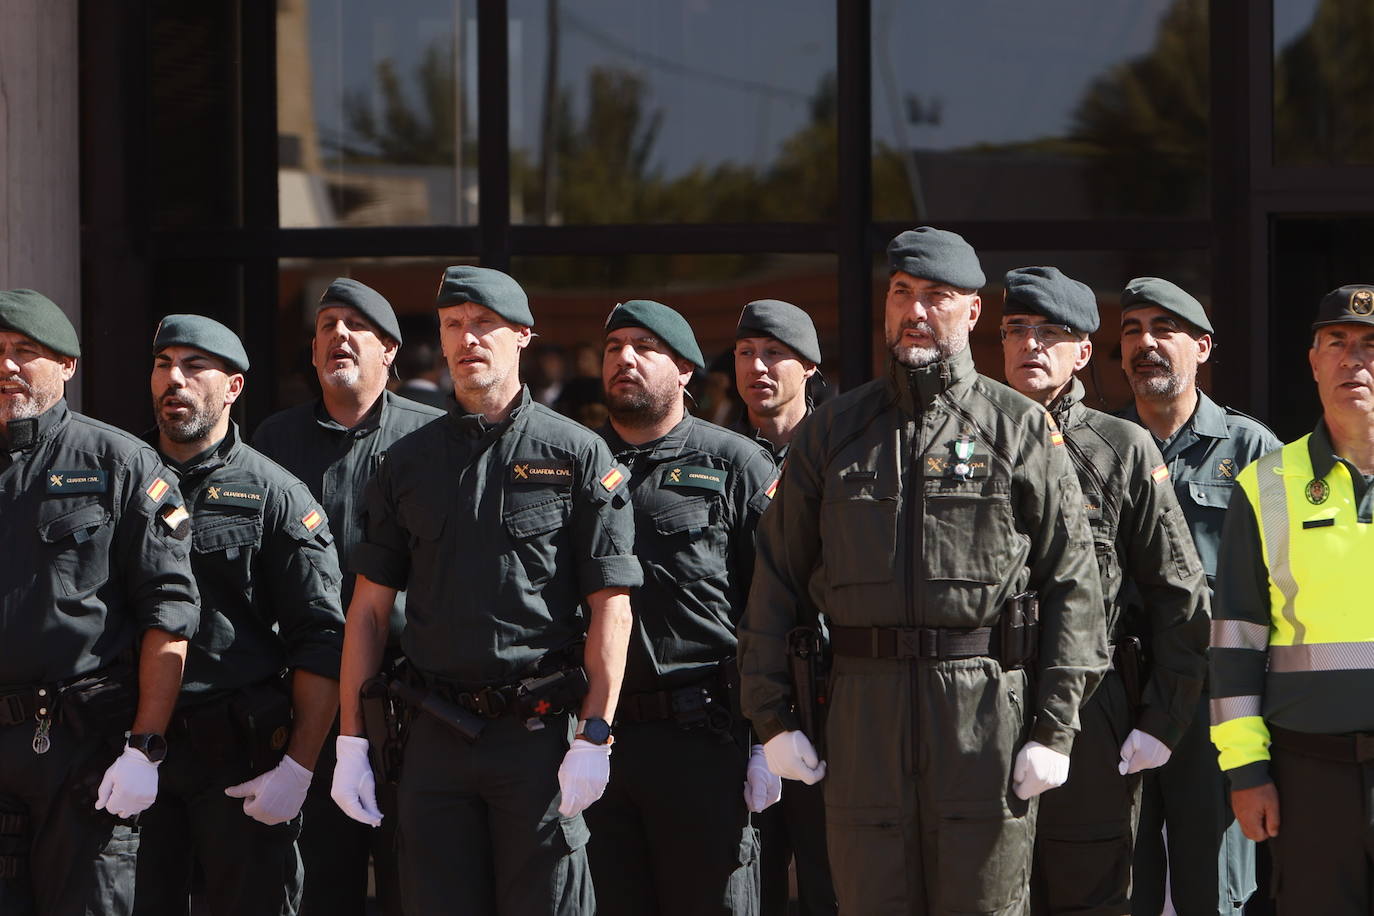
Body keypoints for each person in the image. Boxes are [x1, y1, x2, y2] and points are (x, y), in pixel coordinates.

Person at [739, 228, 1107, 914]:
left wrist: (1054, 728)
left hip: (983, 721)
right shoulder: (834, 431)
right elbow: (776, 578)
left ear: (972, 313)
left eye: (936, 296)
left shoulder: (1019, 427)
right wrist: (772, 717)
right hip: (861, 719)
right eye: (902, 292)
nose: (914, 311)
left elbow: (1073, 584)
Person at [330, 266, 640, 915]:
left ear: (522, 335)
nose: (468, 338)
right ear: (440, 343)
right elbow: (367, 611)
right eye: (453, 325)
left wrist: (595, 733)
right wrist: (352, 742)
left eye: (484, 324)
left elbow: (612, 607)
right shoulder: (405, 463)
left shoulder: (577, 455)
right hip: (434, 740)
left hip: (537, 741)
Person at [996, 267, 1210, 914]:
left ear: (1084, 352)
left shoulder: (1120, 446)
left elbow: (1181, 593)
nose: (1031, 345)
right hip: (982, 698)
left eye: (1051, 332)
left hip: (1094, 705)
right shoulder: (965, 439)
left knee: (1088, 890)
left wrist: (1162, 720)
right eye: (1017, 330)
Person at [134, 315, 344, 915]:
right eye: (162, 364)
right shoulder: (121, 478)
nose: (174, 379)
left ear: (233, 387)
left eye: (194, 366)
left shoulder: (276, 494)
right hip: (130, 751)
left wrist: (299, 768)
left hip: (238, 761)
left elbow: (321, 638)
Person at [0, 289, 200, 914]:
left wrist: (145, 748)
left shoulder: (121, 463)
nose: (6, 365)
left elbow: (168, 614)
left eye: (24, 352)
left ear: (67, 366)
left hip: (82, 749)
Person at [254, 278, 443, 916]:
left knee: (415, 885)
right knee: (316, 887)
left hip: (410, 701)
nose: (338, 335)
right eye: (327, 325)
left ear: (388, 351)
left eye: (355, 326)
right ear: (312, 354)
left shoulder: (436, 438)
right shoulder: (273, 443)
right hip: (309, 696)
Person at [586, 300, 779, 916]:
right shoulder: (576, 463)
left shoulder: (735, 463)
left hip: (703, 737)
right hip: (598, 740)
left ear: (687, 370)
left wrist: (767, 738)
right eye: (615, 347)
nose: (625, 359)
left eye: (645, 347)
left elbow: (773, 604)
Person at [1115, 277, 1279, 916]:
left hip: (1214, 708)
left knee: (1214, 892)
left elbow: (1275, 588)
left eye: (1164, 330)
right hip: (1119, 697)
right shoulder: (1097, 443)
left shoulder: (1251, 450)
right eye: (1132, 330)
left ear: (1203, 347)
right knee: (1120, 885)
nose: (1145, 344)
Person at [1210, 284, 1374, 915]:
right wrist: (1247, 772)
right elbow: (1236, 644)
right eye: (1336, 343)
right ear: (1313, 361)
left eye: (1369, 345)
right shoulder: (1267, 483)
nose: (1352, 360)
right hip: (1309, 779)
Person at [731, 299, 836, 915]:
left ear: (810, 369)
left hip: (829, 693)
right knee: (749, 883)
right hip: (741, 699)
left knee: (832, 879)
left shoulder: (844, 452)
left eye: (775, 354)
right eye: (746, 354)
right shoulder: (713, 453)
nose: (759, 367)